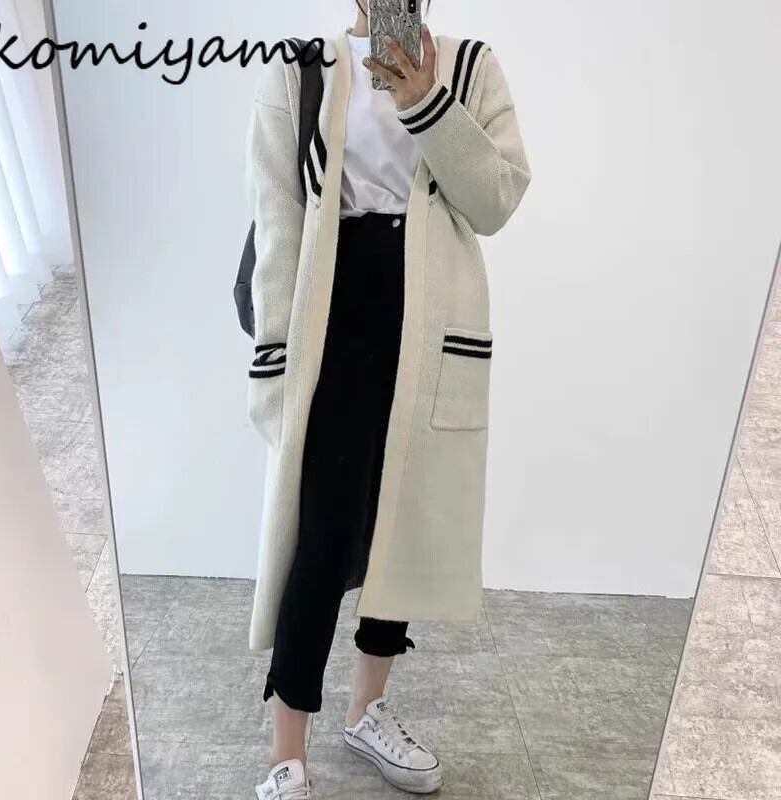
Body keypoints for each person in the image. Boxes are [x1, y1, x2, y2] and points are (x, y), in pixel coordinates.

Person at [248, 2, 531, 797]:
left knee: (400, 520)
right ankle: (286, 752)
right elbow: (277, 218)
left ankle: (366, 711)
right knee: (322, 533)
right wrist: (271, 355)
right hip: (330, 317)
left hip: (428, 320)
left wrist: (424, 101)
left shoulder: (470, 67)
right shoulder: (301, 69)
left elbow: (496, 201)